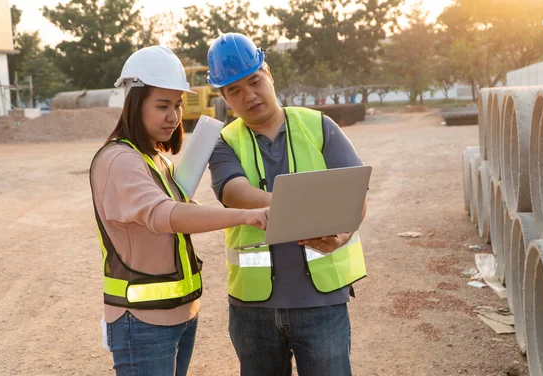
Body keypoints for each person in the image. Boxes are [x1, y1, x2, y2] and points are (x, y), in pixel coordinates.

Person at [89, 45, 269, 376]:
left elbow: (185, 210)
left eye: (177, 105)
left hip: (177, 315)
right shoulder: (119, 160)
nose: (173, 116)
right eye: (162, 106)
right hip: (142, 321)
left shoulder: (155, 160)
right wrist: (243, 214)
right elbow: (167, 215)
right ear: (133, 103)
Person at [206, 33, 368, 376]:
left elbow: (355, 194)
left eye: (254, 81)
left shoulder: (319, 126)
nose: (249, 96)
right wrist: (309, 207)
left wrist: (341, 233)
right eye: (234, 90)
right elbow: (235, 193)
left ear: (268, 73)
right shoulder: (224, 142)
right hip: (254, 309)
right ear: (223, 97)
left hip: (321, 302)